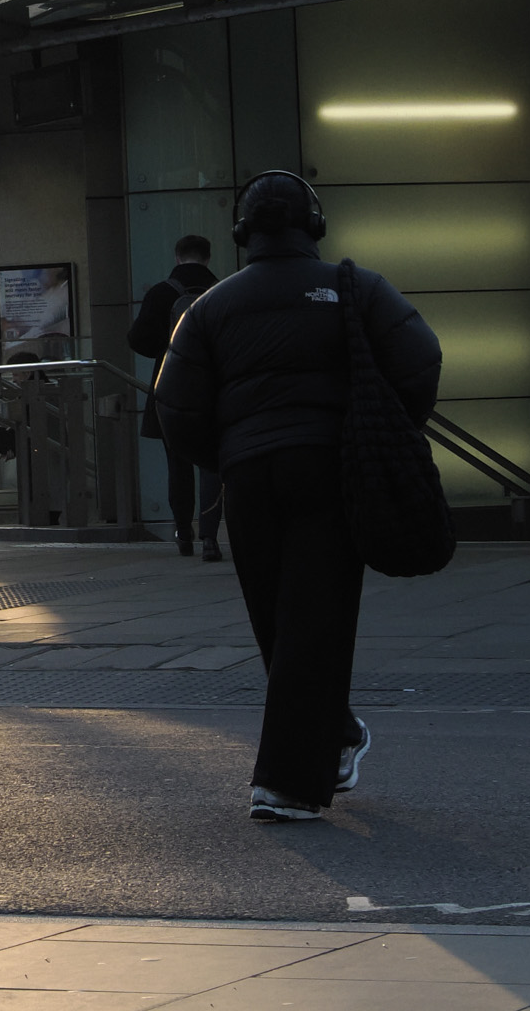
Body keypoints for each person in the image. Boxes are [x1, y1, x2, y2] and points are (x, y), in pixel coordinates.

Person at [155, 172, 440, 823]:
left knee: (278, 620)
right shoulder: (356, 289)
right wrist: (385, 433)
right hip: (330, 468)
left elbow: (176, 406)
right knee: (319, 614)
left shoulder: (213, 307)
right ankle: (289, 780)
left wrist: (225, 455)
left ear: (243, 231)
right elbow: (422, 360)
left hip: (250, 476)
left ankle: (325, 744)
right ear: (313, 225)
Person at [129, 233, 224, 561]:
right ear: (208, 258)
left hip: (172, 388)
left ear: (177, 256)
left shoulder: (161, 292)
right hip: (215, 388)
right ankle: (211, 537)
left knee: (178, 463)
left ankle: (184, 532)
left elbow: (137, 340)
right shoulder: (224, 290)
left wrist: (167, 348)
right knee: (213, 464)